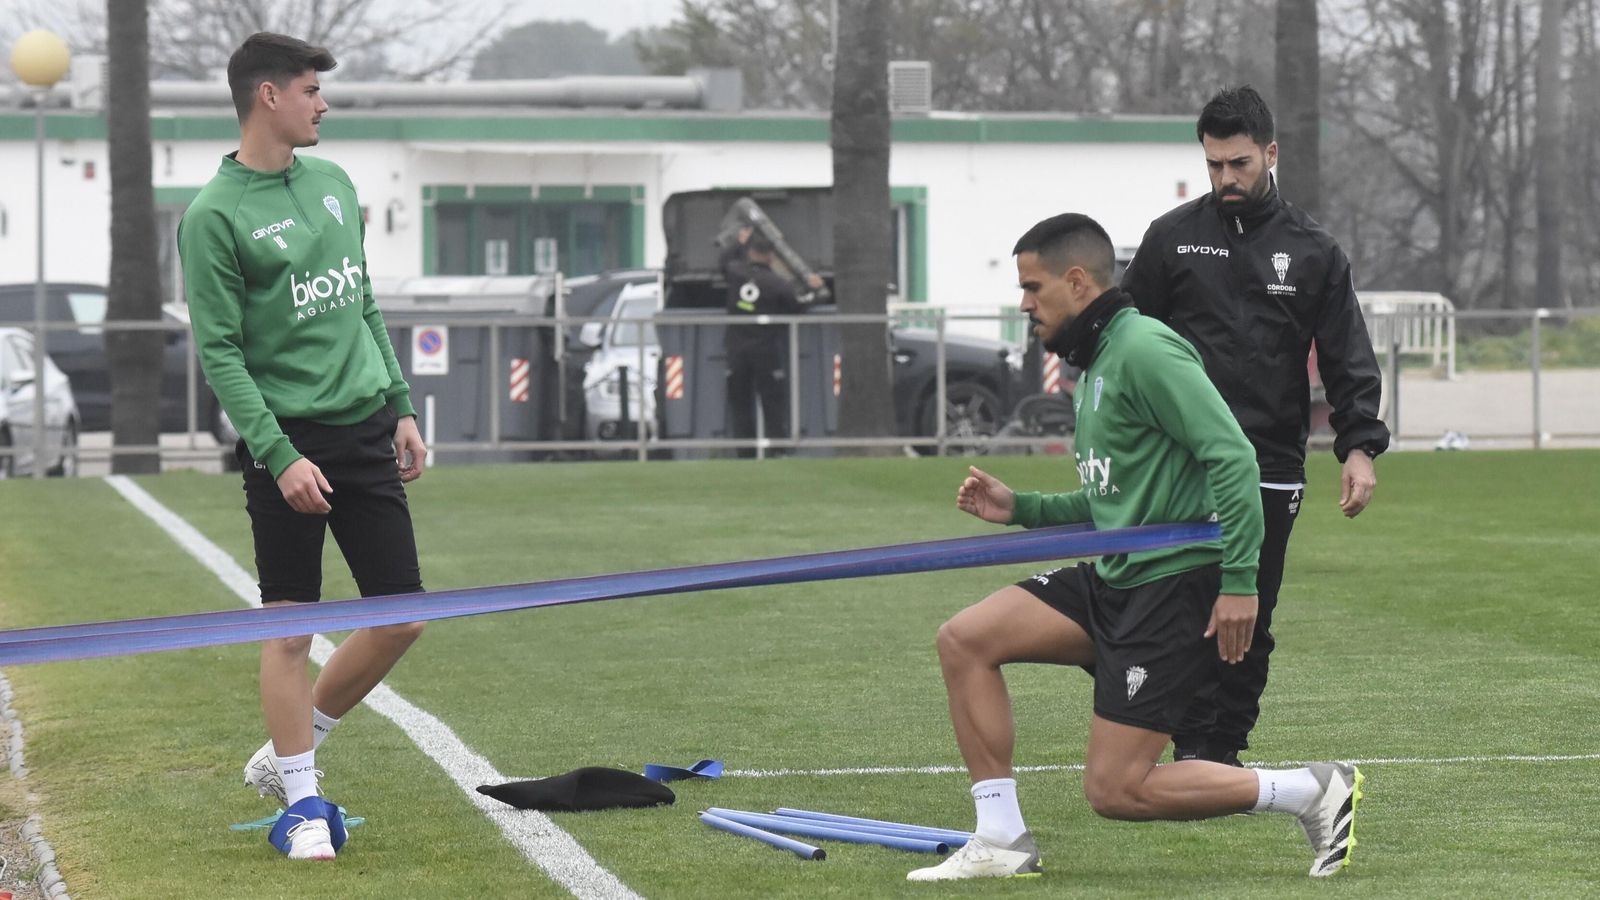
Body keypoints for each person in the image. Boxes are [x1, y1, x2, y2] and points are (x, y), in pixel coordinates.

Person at [908, 213, 1361, 882]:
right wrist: (1021, 510)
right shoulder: (1094, 364)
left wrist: (1241, 584)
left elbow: (1234, 458)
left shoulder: (1145, 349)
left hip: (1173, 586)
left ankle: (1313, 790)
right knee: (966, 640)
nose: (1024, 303)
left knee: (1116, 790)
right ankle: (1000, 839)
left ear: (1077, 282)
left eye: (1033, 288)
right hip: (1118, 576)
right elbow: (1115, 506)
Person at [178, 32, 428, 861]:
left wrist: (399, 404)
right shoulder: (214, 215)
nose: (324, 103)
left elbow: (361, 303)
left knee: (401, 618)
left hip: (363, 428)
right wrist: (279, 455)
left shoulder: (333, 181)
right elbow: (220, 353)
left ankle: (290, 751)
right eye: (312, 89)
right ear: (268, 98)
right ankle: (304, 803)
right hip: (286, 443)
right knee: (290, 632)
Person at [1119, 85, 1390, 767]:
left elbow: (1346, 354)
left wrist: (1358, 448)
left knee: (1247, 616)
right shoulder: (1171, 239)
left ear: (1271, 153)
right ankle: (1182, 741)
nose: (1225, 179)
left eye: (1238, 163)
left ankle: (1219, 752)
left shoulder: (1313, 251)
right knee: (1175, 609)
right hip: (1180, 465)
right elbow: (1122, 338)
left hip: (1269, 464)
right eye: (1214, 166)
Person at [719, 226, 819, 458]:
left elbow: (723, 262)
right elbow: (797, 307)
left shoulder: (736, 273)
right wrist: (814, 290)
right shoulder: (777, 284)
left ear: (751, 252)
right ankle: (777, 450)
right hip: (765, 351)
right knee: (772, 402)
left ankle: (745, 453)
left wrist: (738, 243)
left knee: (740, 404)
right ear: (771, 256)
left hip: (736, 351)